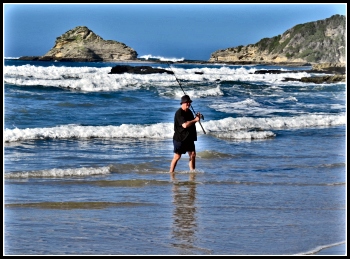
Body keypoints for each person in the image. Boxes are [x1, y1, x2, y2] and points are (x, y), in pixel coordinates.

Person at [169, 95, 201, 180]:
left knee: (193, 154)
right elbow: (185, 125)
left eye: (189, 102)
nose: (189, 104)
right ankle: (171, 173)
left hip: (188, 137)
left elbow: (191, 122)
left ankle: (192, 172)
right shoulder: (179, 113)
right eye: (187, 102)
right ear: (182, 103)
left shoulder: (189, 112)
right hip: (180, 138)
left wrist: (197, 118)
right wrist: (195, 120)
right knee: (177, 156)